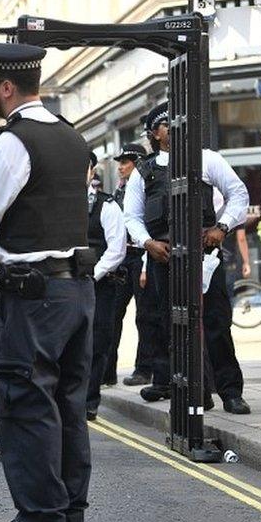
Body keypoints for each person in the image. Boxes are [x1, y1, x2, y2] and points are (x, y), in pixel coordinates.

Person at [0, 41, 94, 522]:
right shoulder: (72, 138)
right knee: (67, 403)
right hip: (76, 287)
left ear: (7, 87)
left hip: (32, 293)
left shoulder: (8, 143)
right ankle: (70, 514)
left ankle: (40, 517)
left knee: (25, 400)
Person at [123, 101, 252, 415]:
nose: (175, 127)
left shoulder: (207, 159)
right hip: (163, 258)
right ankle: (196, 393)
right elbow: (132, 217)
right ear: (155, 133)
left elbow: (239, 194)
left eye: (179, 121)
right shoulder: (144, 170)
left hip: (204, 255)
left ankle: (231, 392)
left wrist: (222, 227)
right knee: (174, 326)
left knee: (217, 323)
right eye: (167, 123)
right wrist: (148, 242)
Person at [84, 152, 126, 421]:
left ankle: (89, 401)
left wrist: (93, 275)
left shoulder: (107, 205)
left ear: (91, 171)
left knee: (97, 344)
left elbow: (117, 249)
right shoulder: (58, 205)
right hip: (66, 283)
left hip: (99, 285)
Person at [108, 143, 155, 387]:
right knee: (112, 313)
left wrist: (146, 265)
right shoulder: (118, 192)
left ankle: (144, 369)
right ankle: (106, 370)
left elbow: (148, 227)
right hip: (121, 259)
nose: (120, 167)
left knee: (145, 316)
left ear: (136, 163)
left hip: (141, 256)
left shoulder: (147, 187)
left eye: (125, 162)